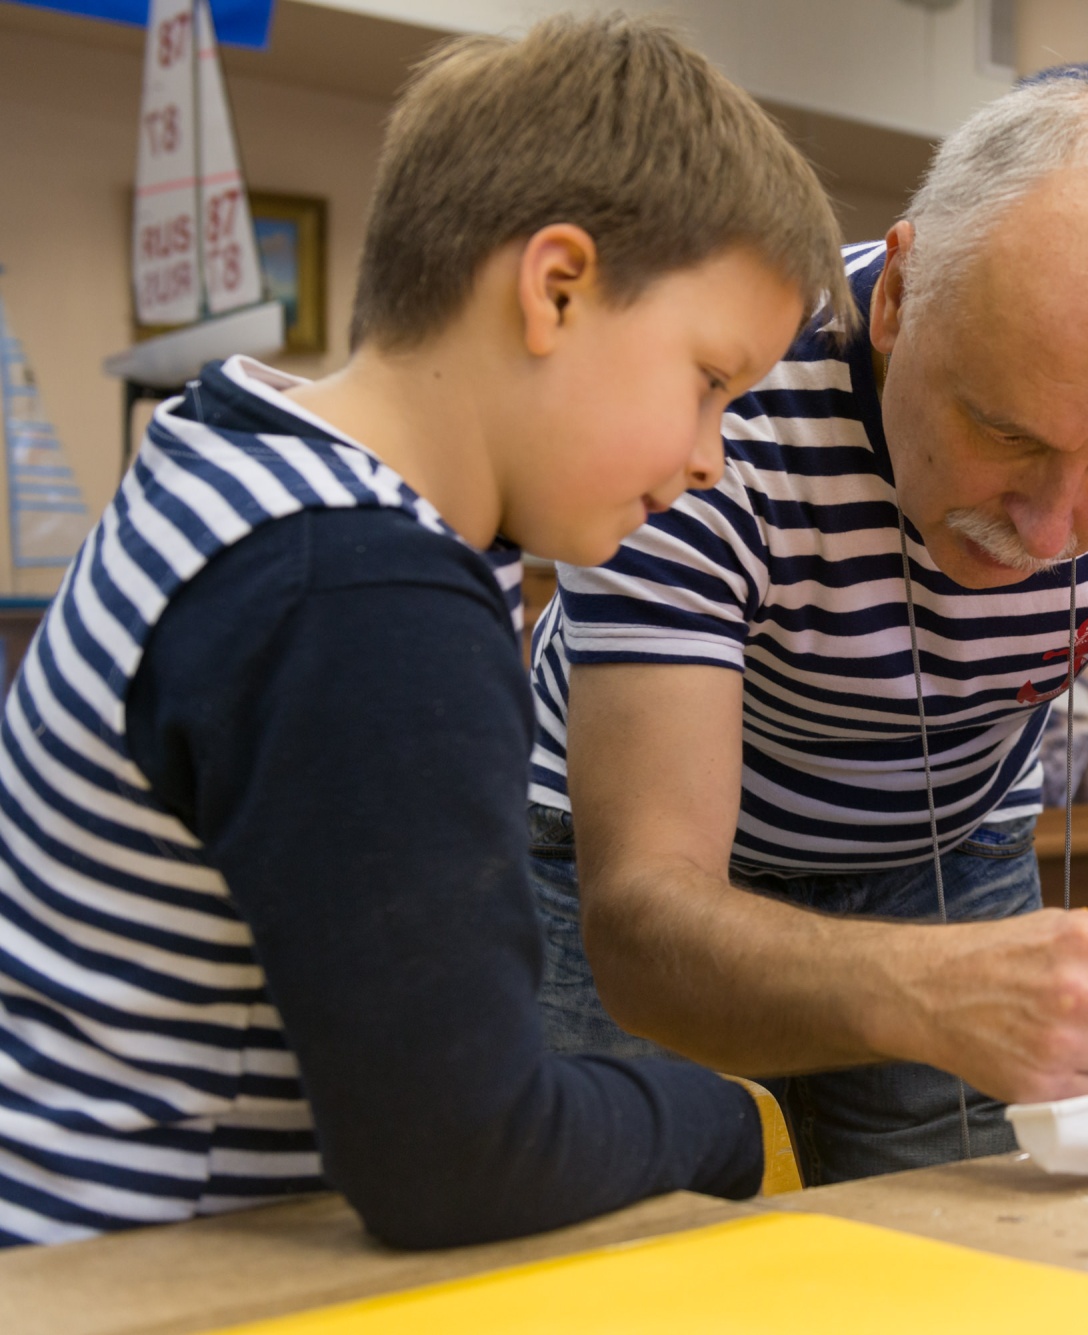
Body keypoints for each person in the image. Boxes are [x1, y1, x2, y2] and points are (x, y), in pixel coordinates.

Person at [0, 16, 847, 1248]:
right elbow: (462, 1157)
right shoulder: (356, 594)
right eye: (709, 383)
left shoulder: (235, 454)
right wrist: (722, 1118)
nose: (713, 458)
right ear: (555, 289)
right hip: (135, 1279)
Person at [526, 77, 1088, 1186]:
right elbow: (646, 905)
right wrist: (923, 987)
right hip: (622, 863)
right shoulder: (718, 401)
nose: (1047, 532)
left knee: (974, 1237)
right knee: (616, 1236)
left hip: (949, 844)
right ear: (902, 295)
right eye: (1008, 435)